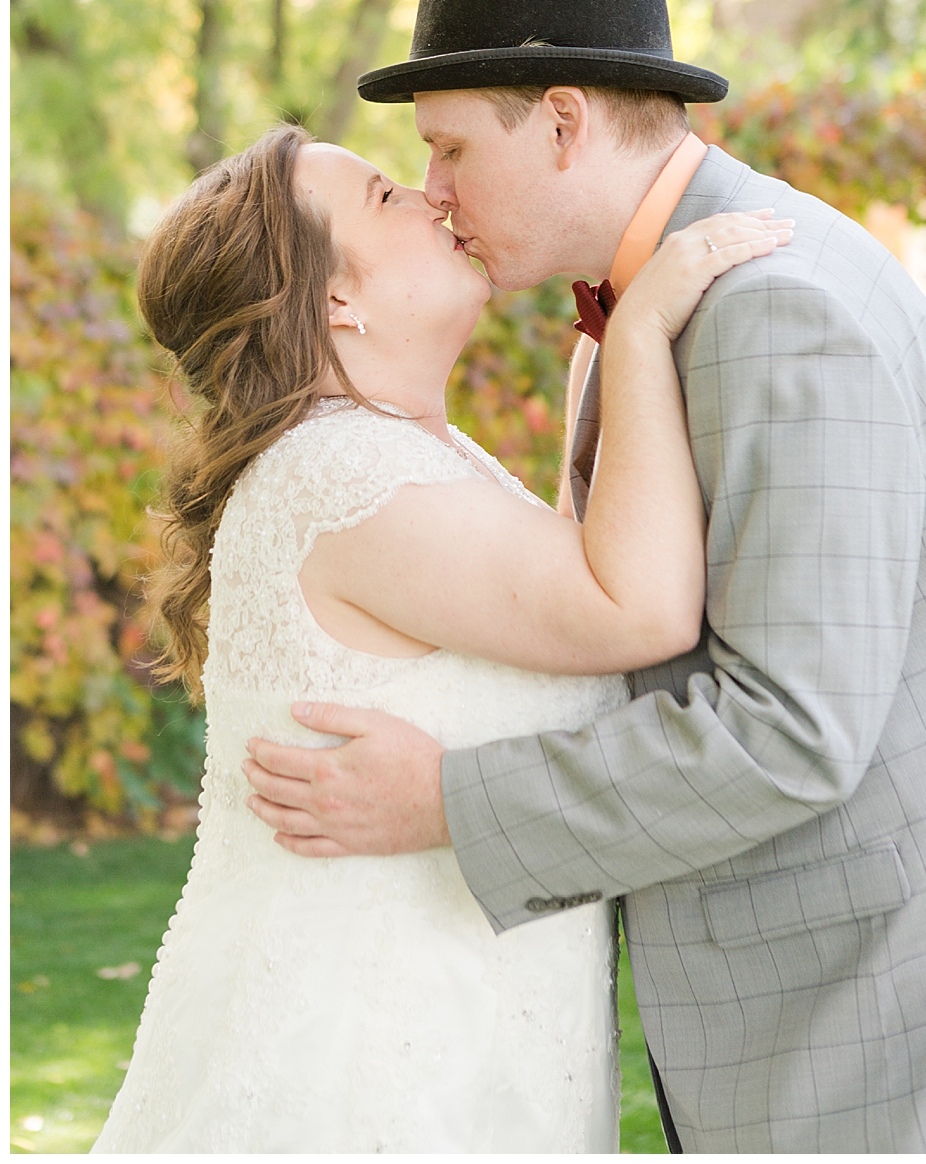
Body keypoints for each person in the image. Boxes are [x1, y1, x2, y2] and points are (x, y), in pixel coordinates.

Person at [238, 0, 926, 1153]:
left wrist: (446, 798)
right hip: (785, 1002)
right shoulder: (658, 303)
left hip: (853, 1028)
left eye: (447, 149)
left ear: (562, 122)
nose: (432, 190)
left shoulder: (772, 314)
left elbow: (793, 732)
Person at [95, 124, 785, 1151]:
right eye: (383, 198)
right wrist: (638, 334)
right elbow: (632, 609)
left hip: (454, 1021)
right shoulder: (343, 479)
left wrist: (600, 370)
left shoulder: (394, 454)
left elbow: (549, 594)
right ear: (337, 299)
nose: (430, 198)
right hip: (377, 1065)